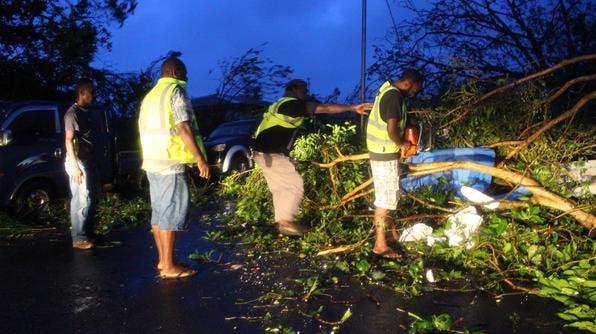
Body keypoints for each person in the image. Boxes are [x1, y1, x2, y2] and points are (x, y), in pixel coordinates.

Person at [252, 79, 372, 236]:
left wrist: (285, 155)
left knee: (280, 188)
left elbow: (277, 131)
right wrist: (352, 107)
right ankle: (285, 222)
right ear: (294, 89)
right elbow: (326, 108)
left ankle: (281, 222)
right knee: (294, 184)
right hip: (269, 153)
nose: (306, 93)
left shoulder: (280, 104)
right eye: (304, 89)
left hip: (262, 152)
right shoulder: (292, 105)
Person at [138, 56, 210, 279]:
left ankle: (163, 261)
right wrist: (199, 158)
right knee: (171, 212)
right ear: (176, 73)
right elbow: (183, 127)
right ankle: (169, 266)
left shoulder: (150, 97)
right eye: (185, 74)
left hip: (152, 162)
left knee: (159, 213)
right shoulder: (175, 92)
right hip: (171, 161)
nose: (187, 78)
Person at [367, 69, 424, 258]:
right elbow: (391, 129)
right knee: (384, 200)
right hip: (384, 153)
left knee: (390, 196)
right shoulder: (394, 97)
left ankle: (391, 236)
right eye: (416, 89)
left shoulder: (389, 91)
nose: (415, 93)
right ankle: (380, 245)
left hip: (382, 152)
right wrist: (402, 143)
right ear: (409, 83)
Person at [64, 79, 101, 250]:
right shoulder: (72, 114)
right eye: (91, 92)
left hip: (89, 160)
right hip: (77, 161)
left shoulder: (87, 111)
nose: (93, 95)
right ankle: (78, 238)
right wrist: (75, 167)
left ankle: (87, 232)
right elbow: (68, 141)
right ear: (82, 93)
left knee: (92, 198)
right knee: (81, 199)